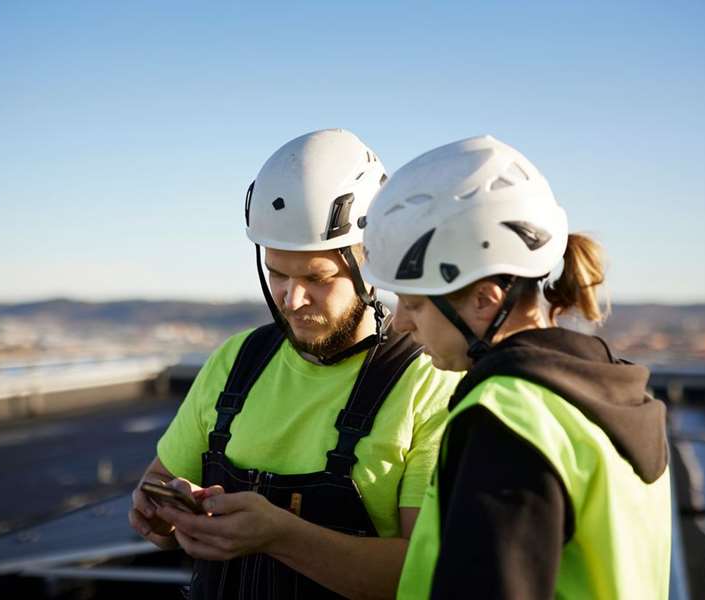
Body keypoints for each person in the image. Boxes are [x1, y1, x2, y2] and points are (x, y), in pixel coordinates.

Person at [128, 129, 460, 599]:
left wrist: (280, 535)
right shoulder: (237, 361)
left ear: (372, 265)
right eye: (277, 272)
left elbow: (421, 576)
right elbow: (160, 496)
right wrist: (160, 513)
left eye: (316, 277)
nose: (292, 297)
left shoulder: (428, 382)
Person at [360, 135, 671, 599]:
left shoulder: (506, 418)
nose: (401, 323)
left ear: (485, 301)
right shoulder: (609, 394)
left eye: (414, 304)